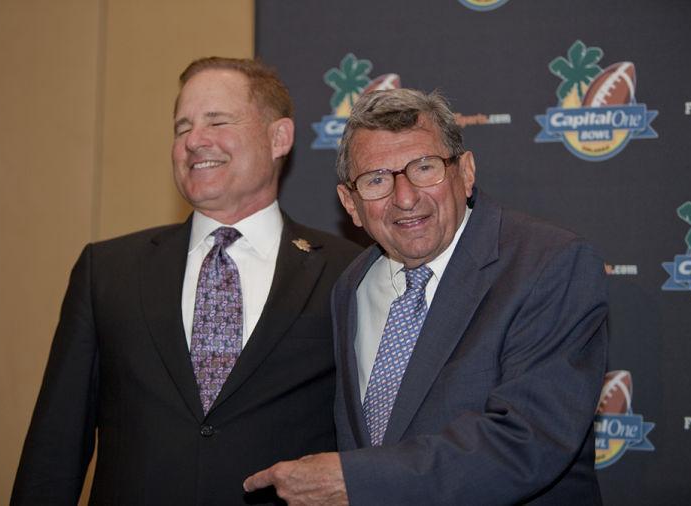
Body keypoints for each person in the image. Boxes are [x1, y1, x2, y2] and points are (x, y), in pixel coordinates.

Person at [11, 57, 361, 505]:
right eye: (182, 127)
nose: (194, 141)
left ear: (279, 138)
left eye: (217, 121)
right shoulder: (109, 270)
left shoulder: (348, 273)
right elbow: (55, 446)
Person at [244, 88, 608, 504]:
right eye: (377, 180)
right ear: (351, 203)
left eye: (424, 167)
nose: (405, 197)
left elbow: (528, 441)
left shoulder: (548, 265)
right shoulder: (352, 286)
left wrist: (358, 482)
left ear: (466, 172)